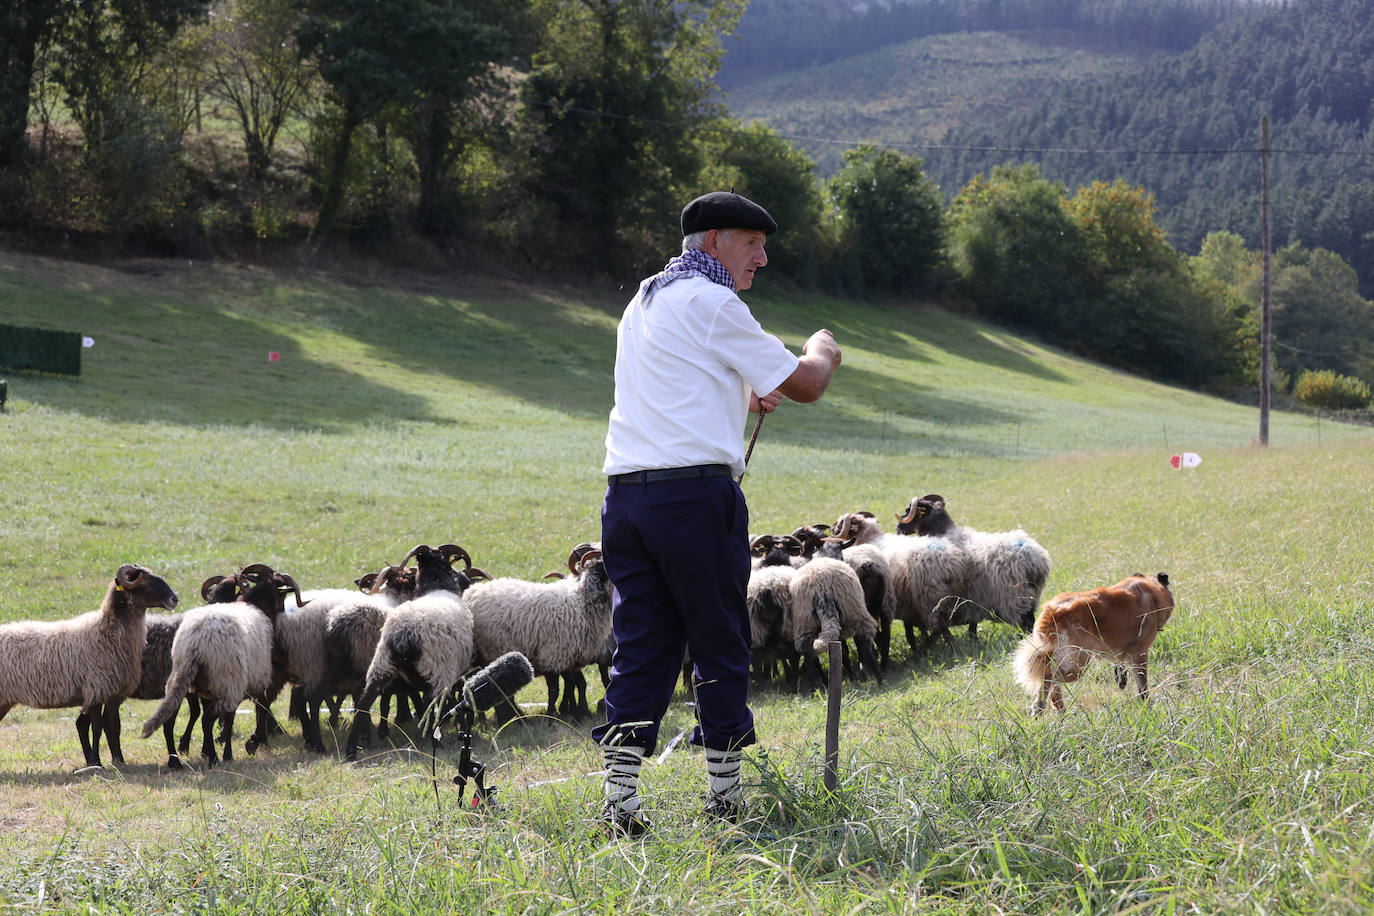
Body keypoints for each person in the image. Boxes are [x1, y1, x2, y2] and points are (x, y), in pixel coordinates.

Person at [592, 190, 842, 836]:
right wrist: (822, 350)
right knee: (720, 639)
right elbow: (808, 384)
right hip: (694, 499)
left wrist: (740, 394)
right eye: (750, 242)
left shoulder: (646, 298)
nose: (761, 257)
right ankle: (725, 807)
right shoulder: (713, 301)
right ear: (712, 242)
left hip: (626, 498)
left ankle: (621, 806)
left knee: (641, 644)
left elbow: (675, 384)